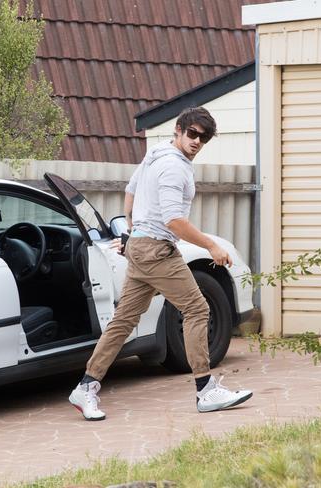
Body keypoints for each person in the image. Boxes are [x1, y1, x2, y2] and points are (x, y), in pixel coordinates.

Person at [69, 107, 253, 421]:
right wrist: (211, 246)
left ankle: (86, 387)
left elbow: (130, 191)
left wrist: (130, 233)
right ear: (179, 130)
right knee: (197, 309)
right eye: (192, 133)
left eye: (203, 138)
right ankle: (206, 390)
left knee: (123, 321)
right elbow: (174, 220)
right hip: (157, 250)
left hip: (142, 247)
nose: (197, 141)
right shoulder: (174, 167)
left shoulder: (156, 153)